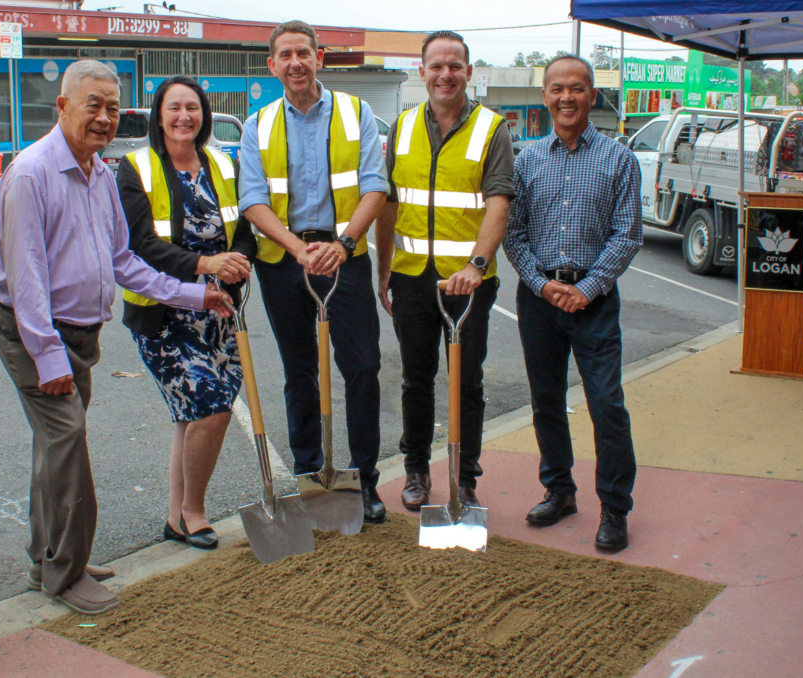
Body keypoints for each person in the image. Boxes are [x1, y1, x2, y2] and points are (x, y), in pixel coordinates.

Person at [0, 60, 232, 616]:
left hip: (78, 331)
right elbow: (25, 282)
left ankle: (48, 557)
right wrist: (48, 359)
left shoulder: (98, 172)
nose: (103, 117)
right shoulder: (31, 174)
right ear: (63, 107)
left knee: (55, 449)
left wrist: (197, 295)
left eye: (113, 108)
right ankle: (66, 575)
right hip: (32, 330)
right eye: (92, 104)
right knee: (68, 443)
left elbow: (125, 261)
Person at [238, 20, 390, 523]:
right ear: (272, 65)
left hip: (344, 257)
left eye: (303, 53)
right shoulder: (256, 124)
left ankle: (364, 480)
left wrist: (343, 244)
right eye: (285, 55)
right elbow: (253, 201)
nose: (295, 63)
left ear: (319, 57)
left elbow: (375, 185)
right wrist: (297, 249)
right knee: (299, 372)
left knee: (363, 366)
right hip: (284, 263)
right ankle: (310, 475)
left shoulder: (356, 112)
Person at [503, 54, 642, 552]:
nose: (567, 97)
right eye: (557, 88)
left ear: (591, 95)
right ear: (545, 96)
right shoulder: (526, 161)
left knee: (606, 405)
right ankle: (559, 490)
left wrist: (587, 288)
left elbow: (626, 236)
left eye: (578, 88)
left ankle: (615, 508)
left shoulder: (619, 159)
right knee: (546, 401)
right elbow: (512, 235)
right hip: (539, 299)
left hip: (595, 299)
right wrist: (544, 286)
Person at [375, 31, 514, 512]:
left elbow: (499, 202)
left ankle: (465, 475)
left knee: (467, 381)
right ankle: (416, 469)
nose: (445, 74)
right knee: (416, 378)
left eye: (455, 65)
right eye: (436, 66)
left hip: (469, 283)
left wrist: (477, 266)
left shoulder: (491, 129)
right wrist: (383, 269)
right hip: (413, 278)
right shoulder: (403, 127)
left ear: (469, 72)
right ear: (423, 72)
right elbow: (389, 204)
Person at [116, 76, 256, 550]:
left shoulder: (221, 162)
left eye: (192, 108)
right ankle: (194, 510)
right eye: (174, 107)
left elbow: (243, 224)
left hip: (219, 312)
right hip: (163, 314)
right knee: (211, 410)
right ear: (159, 115)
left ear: (204, 115)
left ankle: (176, 517)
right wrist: (203, 264)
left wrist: (236, 260)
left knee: (190, 416)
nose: (184, 117)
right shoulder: (136, 167)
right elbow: (140, 244)